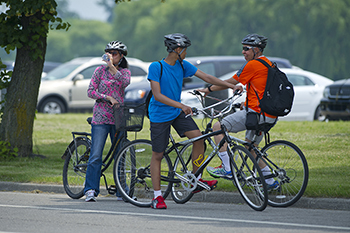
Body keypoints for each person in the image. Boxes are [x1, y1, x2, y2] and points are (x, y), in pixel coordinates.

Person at [148, 33, 237, 209]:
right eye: (185, 50)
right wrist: (181, 105)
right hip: (159, 114)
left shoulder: (182, 65)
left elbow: (208, 78)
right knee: (158, 155)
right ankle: (157, 196)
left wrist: (231, 86)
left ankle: (195, 179)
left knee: (199, 138)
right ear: (178, 50)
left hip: (176, 112)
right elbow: (157, 95)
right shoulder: (156, 67)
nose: (186, 53)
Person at [199, 33, 279, 191]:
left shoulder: (252, 65)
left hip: (256, 115)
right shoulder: (270, 64)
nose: (243, 52)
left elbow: (230, 82)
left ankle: (227, 168)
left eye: (246, 49)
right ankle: (270, 182)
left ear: (256, 50)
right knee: (250, 148)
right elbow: (263, 90)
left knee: (217, 127)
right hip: (269, 115)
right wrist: (246, 103)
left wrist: (209, 89)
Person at [84, 41, 131, 202]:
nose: (111, 55)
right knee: (96, 155)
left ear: (121, 56)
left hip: (118, 119)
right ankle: (90, 189)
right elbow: (90, 91)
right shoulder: (99, 71)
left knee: (120, 155)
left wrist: (112, 66)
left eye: (115, 53)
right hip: (101, 118)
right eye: (109, 52)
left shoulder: (125, 72)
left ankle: (121, 191)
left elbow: (124, 83)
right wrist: (107, 97)